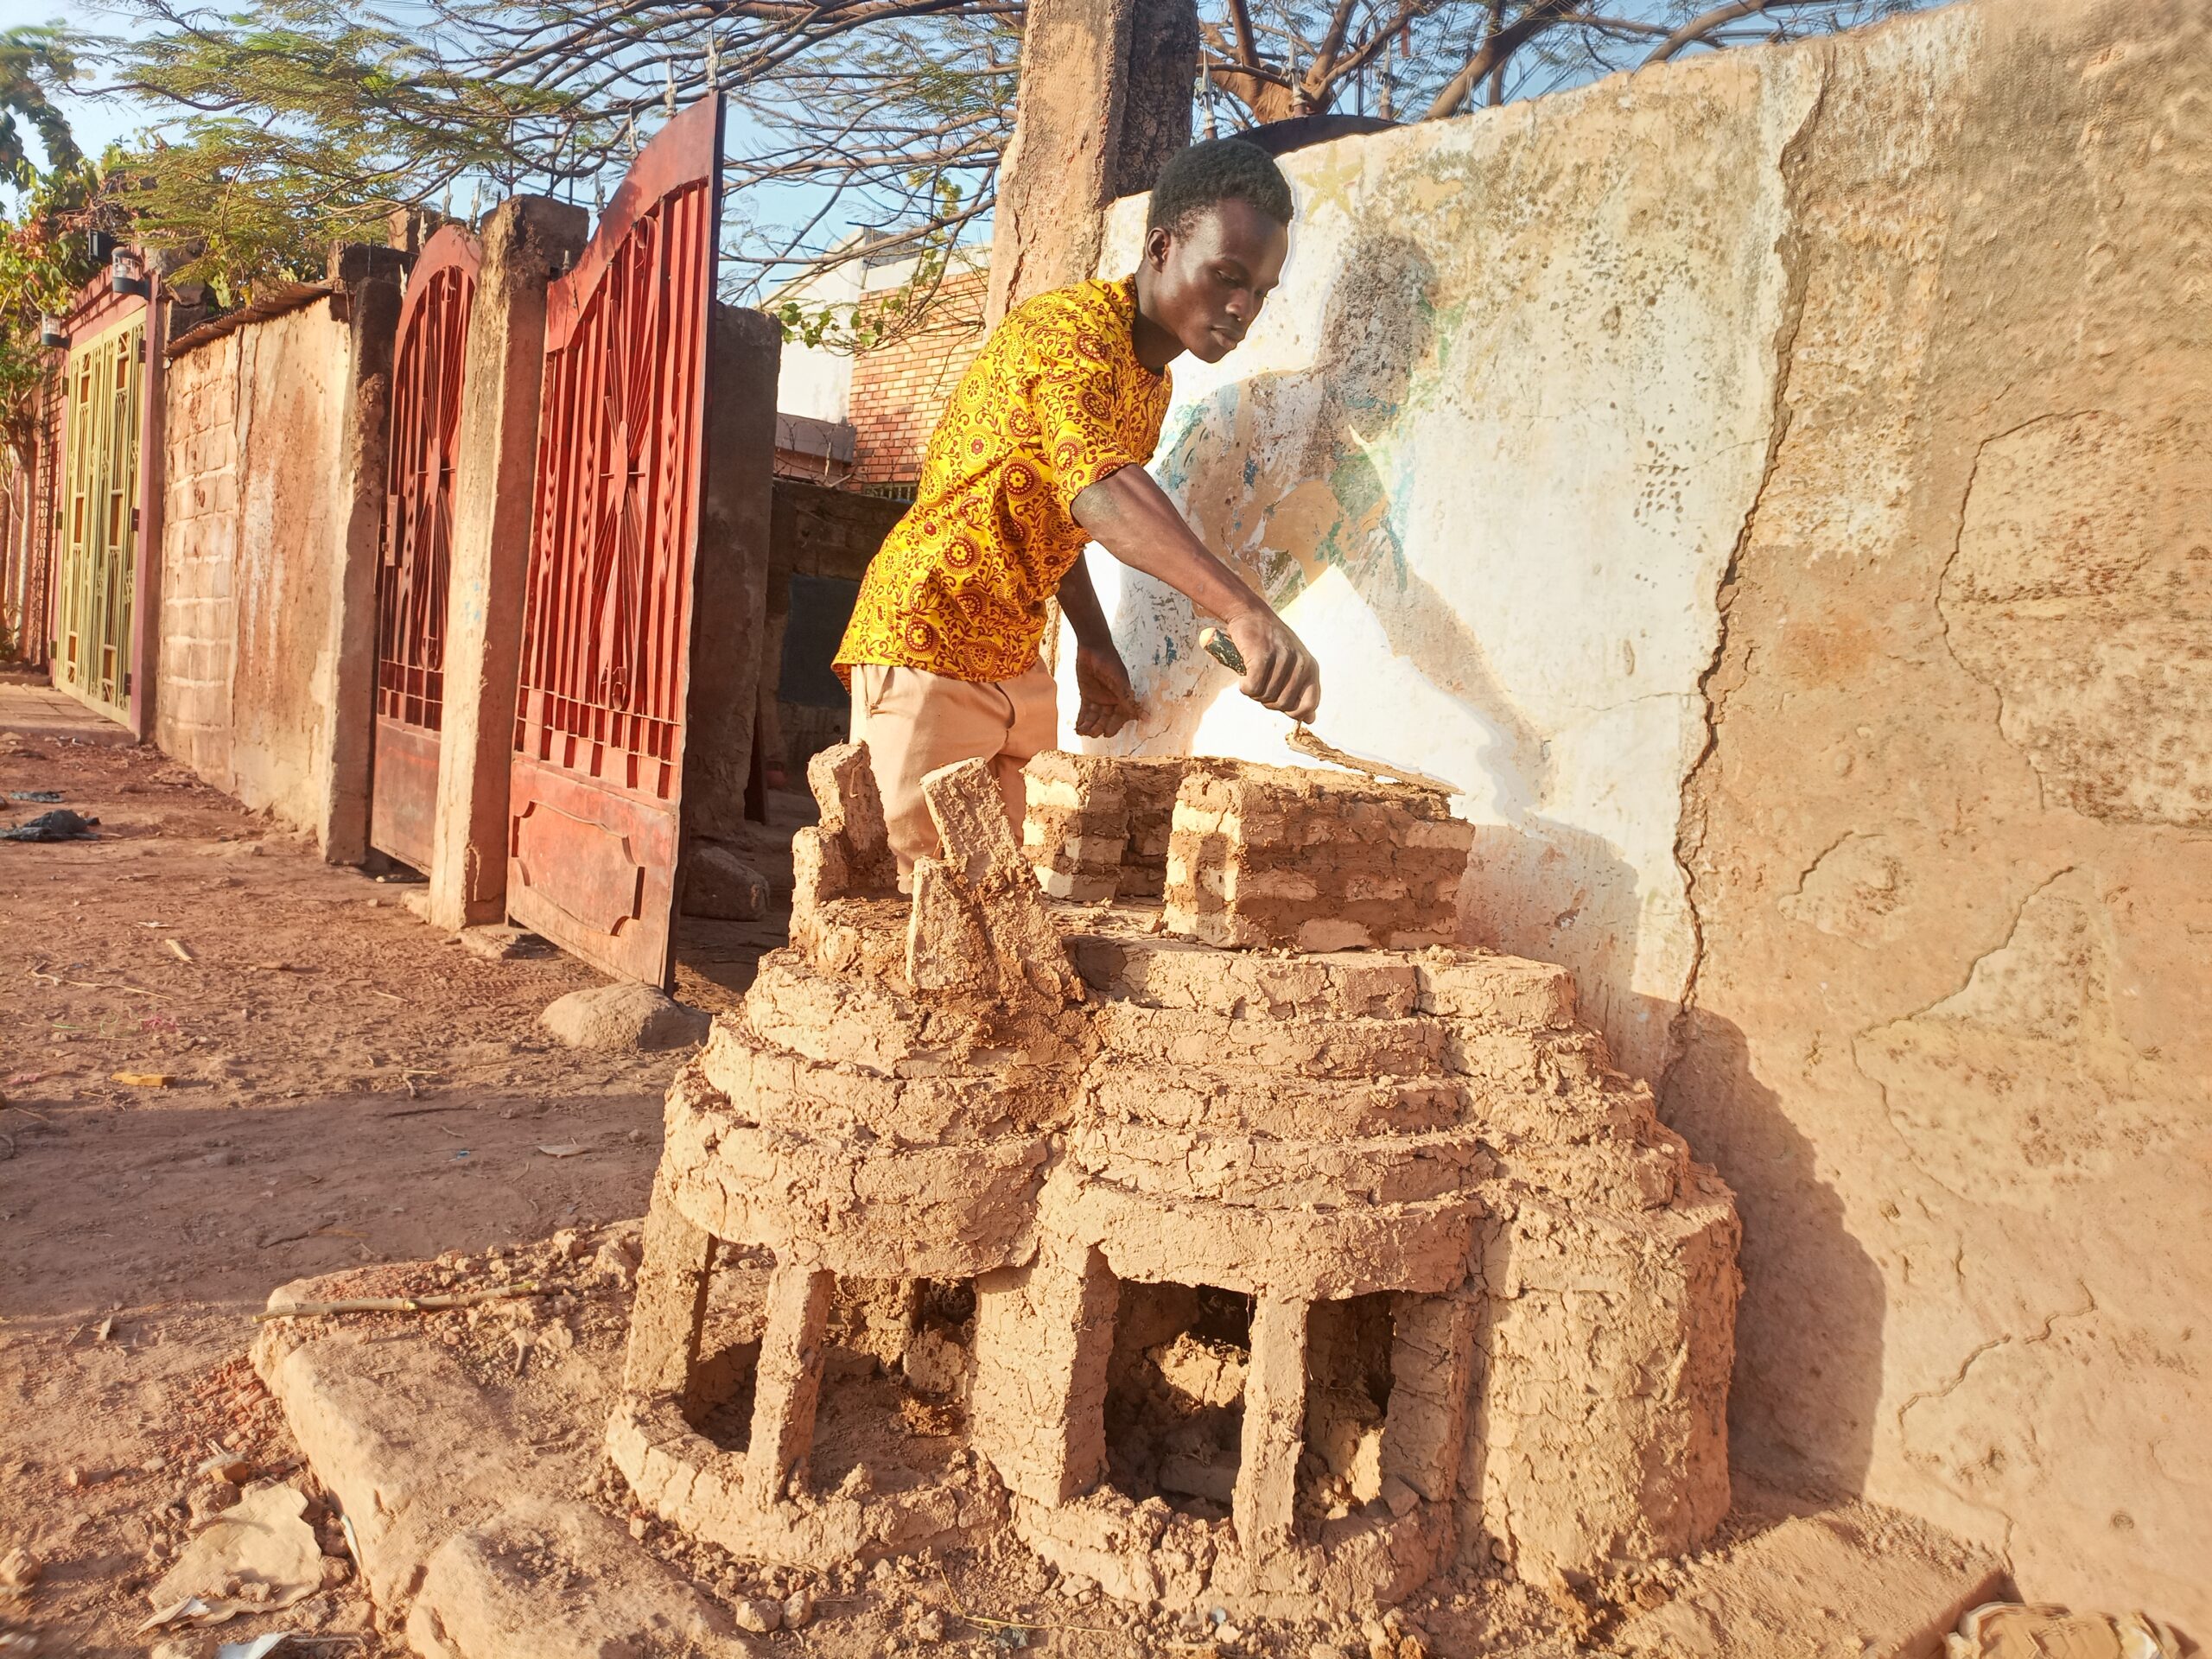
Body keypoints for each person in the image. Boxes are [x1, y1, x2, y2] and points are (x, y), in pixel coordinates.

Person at [833, 137, 1323, 886]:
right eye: (1228, 276)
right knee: (912, 901)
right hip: (928, 631)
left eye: (1260, 291)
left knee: (1002, 902)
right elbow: (1099, 491)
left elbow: (1065, 511)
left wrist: (1092, 640)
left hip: (1014, 658)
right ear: (1161, 246)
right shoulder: (1070, 331)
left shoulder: (1150, 382)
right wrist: (1241, 611)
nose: (1242, 309)